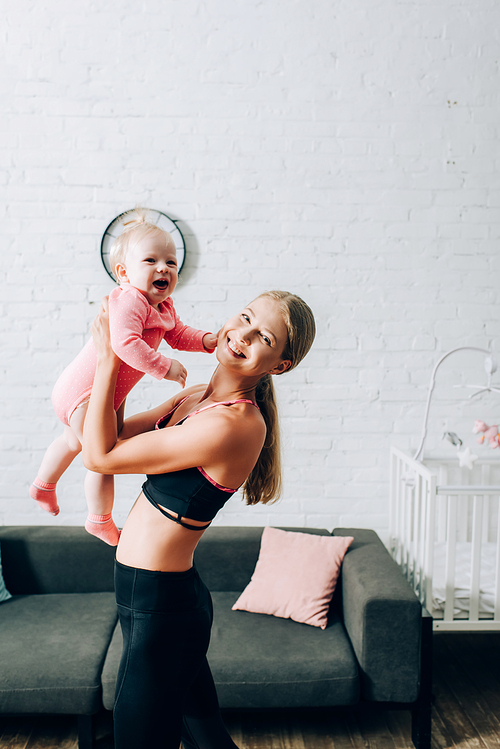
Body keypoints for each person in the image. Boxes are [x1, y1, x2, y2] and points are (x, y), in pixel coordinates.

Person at [82, 289, 316, 749]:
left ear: (279, 365)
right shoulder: (193, 399)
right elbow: (110, 432)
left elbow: (100, 455)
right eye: (244, 318)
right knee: (204, 734)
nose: (242, 335)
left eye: (263, 336)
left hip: (162, 607)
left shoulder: (232, 424)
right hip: (156, 597)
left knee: (138, 739)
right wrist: (127, 358)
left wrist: (109, 362)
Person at [30, 210, 217, 545]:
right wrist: (164, 367)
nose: (164, 268)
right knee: (104, 457)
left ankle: (43, 486)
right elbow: (125, 343)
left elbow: (177, 334)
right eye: (151, 260)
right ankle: (99, 520)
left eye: (171, 262)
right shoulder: (129, 299)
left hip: (103, 393)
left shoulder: (162, 306)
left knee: (72, 442)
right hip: (85, 392)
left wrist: (204, 342)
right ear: (123, 273)